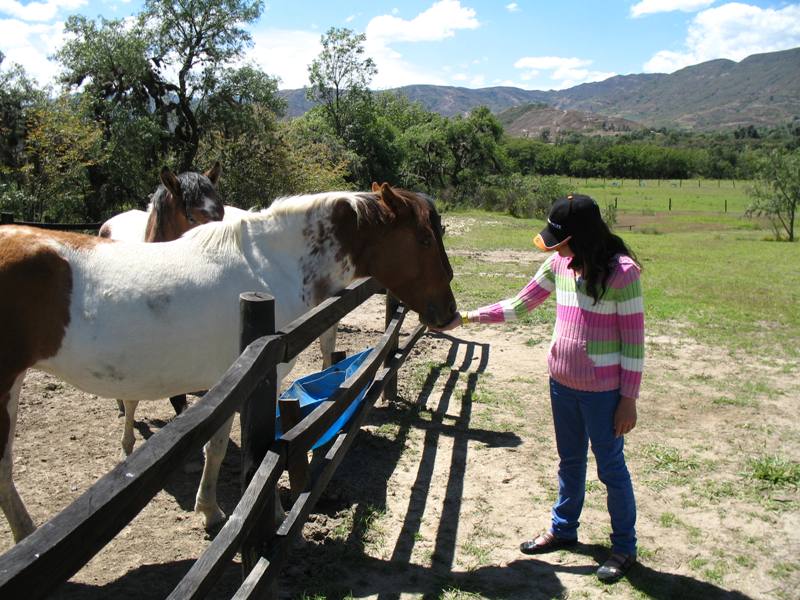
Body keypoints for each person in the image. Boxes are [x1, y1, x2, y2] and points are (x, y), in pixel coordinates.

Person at [435, 194, 644, 583]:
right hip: (561, 385)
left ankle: (623, 547)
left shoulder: (622, 273)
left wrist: (628, 399)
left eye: (560, 239)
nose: (555, 246)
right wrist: (464, 317)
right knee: (569, 461)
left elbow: (633, 343)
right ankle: (564, 529)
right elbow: (519, 305)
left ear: (580, 236)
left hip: (603, 394)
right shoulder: (559, 264)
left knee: (611, 468)